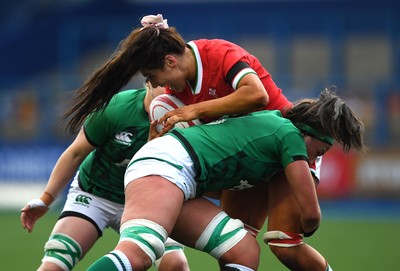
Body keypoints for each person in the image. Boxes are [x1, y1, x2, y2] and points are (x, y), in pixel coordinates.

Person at [60, 13, 357, 270]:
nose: (160, 85)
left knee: (284, 244)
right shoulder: (170, 98)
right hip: (248, 165)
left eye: (156, 76)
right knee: (237, 247)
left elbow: (257, 95)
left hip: (289, 149)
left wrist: (191, 112)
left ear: (170, 60)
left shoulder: (218, 54)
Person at [86, 88, 366, 271]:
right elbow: (311, 213)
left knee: (244, 251)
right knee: (140, 252)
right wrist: (306, 226)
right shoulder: (289, 136)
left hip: (178, 176)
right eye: (321, 151)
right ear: (309, 135)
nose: (316, 159)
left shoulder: (272, 128)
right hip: (167, 166)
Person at [20, 81, 190, 271]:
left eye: (172, 86)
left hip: (147, 201)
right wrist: (46, 199)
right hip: (96, 194)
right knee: (55, 265)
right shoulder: (116, 108)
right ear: (148, 82)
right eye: (162, 84)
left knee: (176, 264)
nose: (168, 91)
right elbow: (75, 152)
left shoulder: (183, 118)